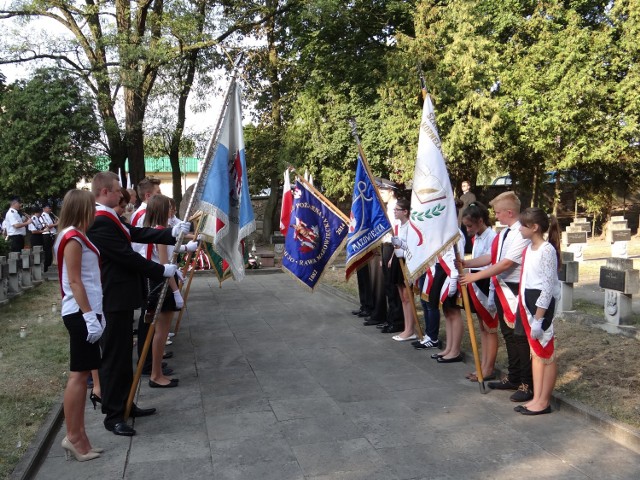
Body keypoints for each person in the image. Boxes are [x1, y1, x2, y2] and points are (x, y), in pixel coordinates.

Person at [87, 171, 189, 437]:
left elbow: (135, 233)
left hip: (121, 297)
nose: (122, 193)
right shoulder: (99, 221)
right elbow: (125, 257)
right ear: (106, 192)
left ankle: (126, 404)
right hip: (112, 298)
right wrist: (160, 271)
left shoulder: (110, 217)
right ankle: (113, 414)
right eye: (118, 189)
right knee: (113, 358)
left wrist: (171, 233)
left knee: (123, 357)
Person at [460, 191, 533, 403]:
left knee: (520, 337)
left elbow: (506, 263)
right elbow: (492, 257)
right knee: (508, 334)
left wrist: (475, 278)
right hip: (502, 288)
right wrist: (467, 264)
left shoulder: (521, 233)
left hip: (516, 289)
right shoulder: (503, 234)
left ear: (509, 212)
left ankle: (526, 383)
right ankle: (514, 375)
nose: (496, 216)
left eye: (499, 212)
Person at [54, 189, 103, 462]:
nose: (95, 211)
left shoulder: (75, 235)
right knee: (78, 376)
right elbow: (75, 281)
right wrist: (88, 316)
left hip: (85, 312)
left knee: (82, 375)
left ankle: (80, 436)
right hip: (80, 313)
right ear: (83, 209)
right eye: (91, 207)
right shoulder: (72, 237)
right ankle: (73, 437)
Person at [143, 195, 196, 387]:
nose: (171, 212)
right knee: (161, 332)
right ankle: (156, 374)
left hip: (157, 282)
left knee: (161, 332)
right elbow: (166, 264)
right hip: (161, 285)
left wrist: (184, 247)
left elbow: (169, 254)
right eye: (168, 208)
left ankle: (156, 372)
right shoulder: (161, 232)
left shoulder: (154, 230)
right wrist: (176, 292)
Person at [514, 207, 561, 415]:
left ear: (534, 227)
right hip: (528, 303)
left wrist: (539, 318)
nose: (519, 229)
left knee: (545, 352)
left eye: (523, 226)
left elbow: (548, 286)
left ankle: (544, 401)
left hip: (541, 307)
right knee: (536, 354)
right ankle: (536, 397)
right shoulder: (528, 249)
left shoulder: (547, 250)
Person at [460, 202, 498, 380]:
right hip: (477, 281)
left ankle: (488, 368)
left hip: (486, 283)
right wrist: (466, 264)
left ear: (480, 221)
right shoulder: (479, 237)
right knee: (482, 328)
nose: (467, 230)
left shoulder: (492, 237)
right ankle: (482, 366)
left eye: (469, 226)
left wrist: (470, 266)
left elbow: (490, 261)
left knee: (490, 328)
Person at [388, 198, 418, 342]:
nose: (394, 212)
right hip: (398, 260)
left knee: (407, 296)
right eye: (394, 209)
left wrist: (403, 250)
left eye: (397, 209)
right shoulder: (399, 225)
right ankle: (407, 328)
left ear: (405, 211)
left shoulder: (412, 226)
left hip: (407, 261)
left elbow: (413, 247)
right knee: (402, 297)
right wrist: (392, 256)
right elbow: (399, 243)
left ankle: (410, 329)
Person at [458, 180, 476, 254]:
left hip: (467, 218)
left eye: (465, 185)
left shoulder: (471, 196)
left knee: (468, 235)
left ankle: (469, 249)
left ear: (469, 186)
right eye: (462, 186)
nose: (463, 187)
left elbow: (472, 206)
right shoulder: (461, 196)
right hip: (460, 219)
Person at [41, 203, 59, 271]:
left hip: (52, 233)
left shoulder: (49, 215)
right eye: (48, 208)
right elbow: (47, 226)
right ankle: (47, 267)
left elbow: (52, 224)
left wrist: (56, 222)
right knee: (48, 251)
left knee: (51, 250)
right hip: (47, 234)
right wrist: (56, 224)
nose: (50, 209)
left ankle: (50, 265)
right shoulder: (43, 215)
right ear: (44, 209)